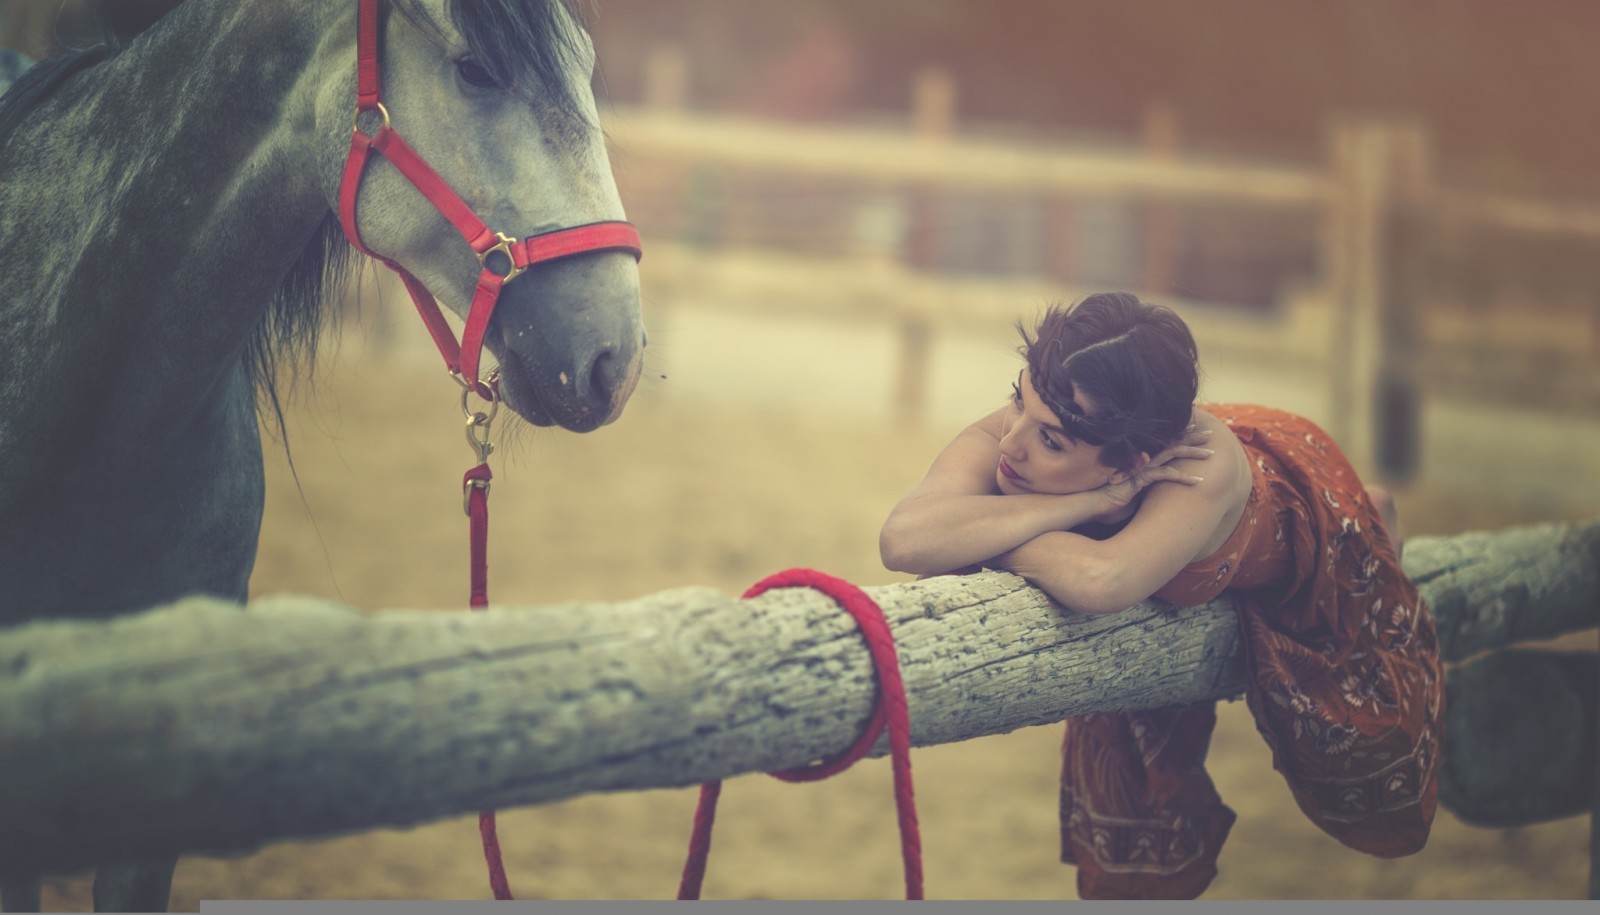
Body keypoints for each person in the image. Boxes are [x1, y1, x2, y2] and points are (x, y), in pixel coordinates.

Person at [879, 292, 1442, 900]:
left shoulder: (1200, 468)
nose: (1010, 442)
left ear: (1130, 465)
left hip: (1296, 501)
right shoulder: (1050, 412)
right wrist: (1079, 506)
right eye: (1017, 399)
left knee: (1353, 597)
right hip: (1150, 456)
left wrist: (981, 532)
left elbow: (1103, 581)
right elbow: (904, 539)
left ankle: (1372, 508)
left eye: (1051, 443)